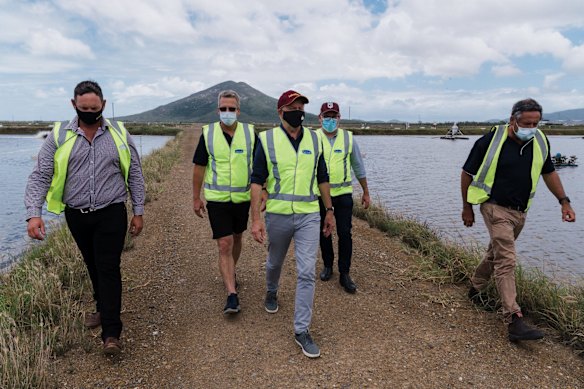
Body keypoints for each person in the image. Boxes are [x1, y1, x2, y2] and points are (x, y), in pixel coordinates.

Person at [25, 80, 145, 355]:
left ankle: (111, 333)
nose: (90, 112)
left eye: (94, 107)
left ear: (103, 105)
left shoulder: (118, 133)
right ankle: (102, 308)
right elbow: (41, 175)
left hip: (111, 211)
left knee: (108, 267)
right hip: (77, 215)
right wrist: (34, 214)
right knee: (92, 264)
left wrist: (138, 211)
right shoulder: (59, 135)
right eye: (83, 108)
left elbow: (135, 173)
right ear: (73, 105)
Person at [461, 98, 575, 341]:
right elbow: (467, 173)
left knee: (495, 254)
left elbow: (549, 172)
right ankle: (513, 319)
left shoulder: (541, 140)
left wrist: (564, 201)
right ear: (513, 119)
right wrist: (467, 207)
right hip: (494, 207)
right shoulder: (490, 140)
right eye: (526, 123)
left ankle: (475, 288)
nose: (531, 127)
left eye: (535, 123)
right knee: (507, 259)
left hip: (520, 212)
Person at [250, 90, 335, 358]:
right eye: (292, 106)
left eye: (301, 106)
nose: (298, 110)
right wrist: (255, 219)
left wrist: (329, 210)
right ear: (280, 111)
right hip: (278, 214)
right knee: (275, 261)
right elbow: (256, 180)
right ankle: (271, 291)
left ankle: (301, 330)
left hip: (309, 214)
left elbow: (322, 177)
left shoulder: (315, 139)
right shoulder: (266, 140)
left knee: (307, 271)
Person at [192, 90, 257, 315]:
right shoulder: (208, 133)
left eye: (231, 109)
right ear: (218, 110)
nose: (227, 112)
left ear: (238, 110)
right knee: (224, 243)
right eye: (223, 109)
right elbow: (199, 167)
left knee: (237, 237)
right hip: (217, 200)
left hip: (242, 198)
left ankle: (231, 271)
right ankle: (231, 294)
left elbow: (259, 167)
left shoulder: (250, 133)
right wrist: (195, 197)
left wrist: (265, 190)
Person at [317, 102, 370, 293]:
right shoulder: (313, 138)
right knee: (324, 232)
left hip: (344, 195)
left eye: (334, 116)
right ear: (319, 117)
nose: (330, 119)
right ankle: (328, 265)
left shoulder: (348, 138)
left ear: (339, 118)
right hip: (320, 196)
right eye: (327, 116)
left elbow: (358, 166)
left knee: (345, 233)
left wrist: (365, 191)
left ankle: (344, 273)